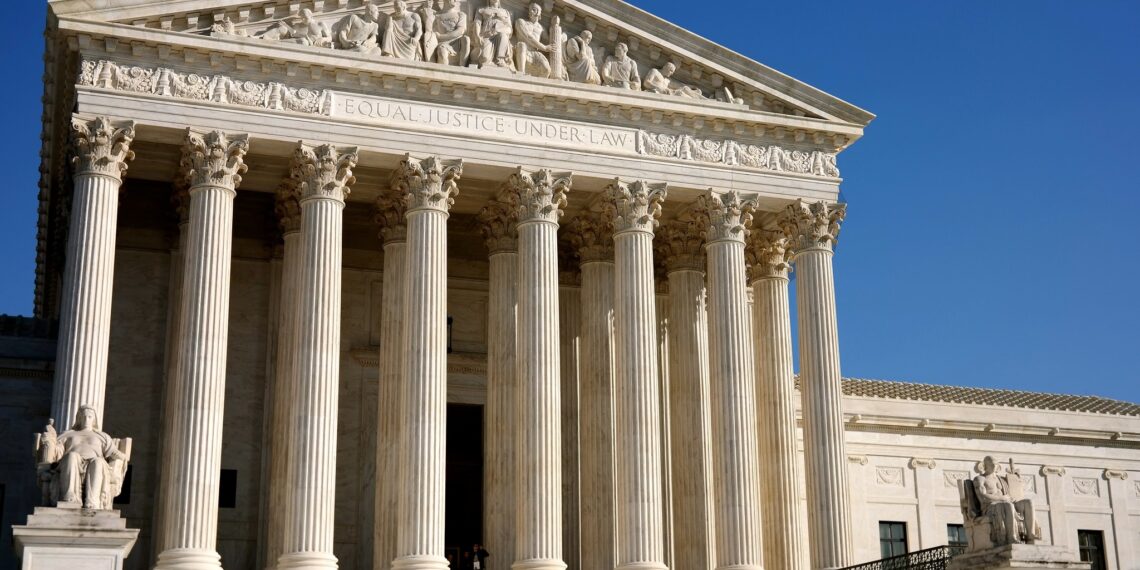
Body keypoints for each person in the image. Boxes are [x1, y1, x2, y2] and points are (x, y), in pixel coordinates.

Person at [37, 405, 128, 509]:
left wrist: (123, 457)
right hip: (70, 463)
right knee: (72, 456)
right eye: (83, 416)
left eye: (89, 417)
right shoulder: (68, 434)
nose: (86, 419)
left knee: (98, 461)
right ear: (78, 418)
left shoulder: (103, 436)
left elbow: (113, 453)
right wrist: (50, 440)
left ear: (94, 419)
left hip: (94, 463)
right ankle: (70, 497)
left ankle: (93, 501)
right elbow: (57, 452)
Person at [972, 456, 1038, 546]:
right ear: (986, 465)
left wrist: (1016, 481)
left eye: (996, 464)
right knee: (1008, 506)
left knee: (1028, 502)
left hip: (1006, 502)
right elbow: (983, 497)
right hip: (990, 507)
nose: (995, 466)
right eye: (992, 464)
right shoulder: (980, 479)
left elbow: (1009, 493)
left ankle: (1031, 536)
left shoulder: (1001, 479)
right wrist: (1002, 498)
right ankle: (1011, 537)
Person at [422, 0, 470, 66]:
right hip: (443, 43)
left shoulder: (461, 14)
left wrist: (441, 36)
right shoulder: (436, 15)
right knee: (442, 52)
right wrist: (427, 11)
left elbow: (461, 31)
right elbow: (429, 30)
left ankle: (462, 68)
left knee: (466, 39)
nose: (455, 1)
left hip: (458, 42)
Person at [514, 3, 552, 77]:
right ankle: (521, 74)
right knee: (522, 45)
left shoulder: (541, 29)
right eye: (530, 9)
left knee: (547, 70)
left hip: (535, 52)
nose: (531, 11)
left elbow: (549, 42)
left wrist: (561, 36)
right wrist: (544, 47)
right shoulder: (521, 22)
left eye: (534, 10)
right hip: (523, 50)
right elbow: (528, 37)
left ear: (539, 13)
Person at [472, 0, 513, 68]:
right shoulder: (482, 9)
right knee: (484, 58)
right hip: (486, 36)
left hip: (500, 37)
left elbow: (509, 29)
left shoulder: (505, 12)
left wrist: (499, 29)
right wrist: (477, 36)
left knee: (503, 36)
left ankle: (500, 60)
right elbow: (477, 23)